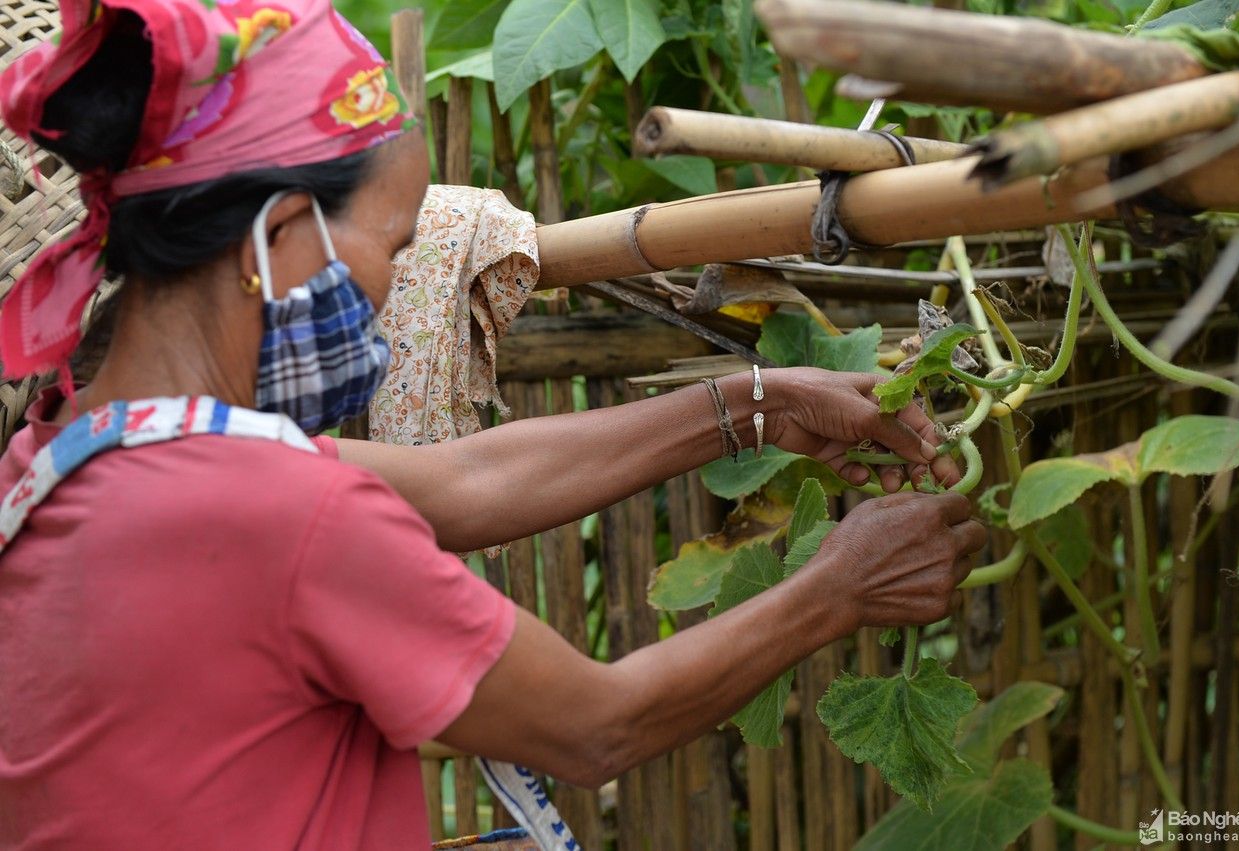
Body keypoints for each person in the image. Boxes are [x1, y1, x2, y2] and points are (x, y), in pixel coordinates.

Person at [0, 1, 986, 848]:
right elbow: (600, 723)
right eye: (391, 243)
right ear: (281, 235)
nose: (393, 284)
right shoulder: (277, 515)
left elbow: (466, 483)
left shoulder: (62, 459)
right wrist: (839, 585)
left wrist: (763, 400)